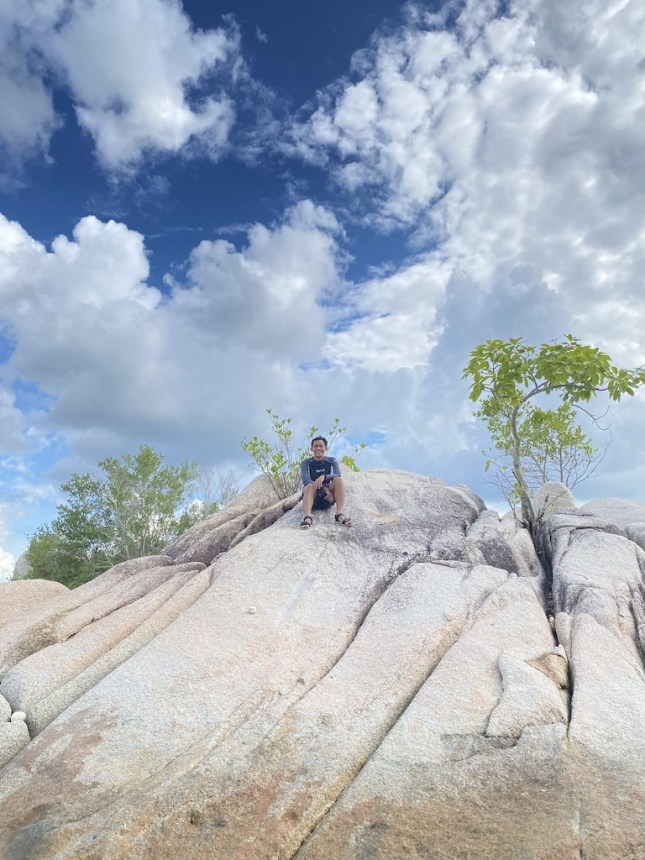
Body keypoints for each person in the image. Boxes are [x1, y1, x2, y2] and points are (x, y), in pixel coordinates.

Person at [299, 435, 352, 529]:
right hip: (312, 498)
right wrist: (325, 489)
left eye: (321, 446)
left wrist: (323, 476)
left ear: (326, 448)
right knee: (309, 486)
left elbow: (337, 474)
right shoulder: (306, 463)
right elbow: (306, 480)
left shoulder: (331, 461)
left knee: (338, 480)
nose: (318, 448)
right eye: (315, 446)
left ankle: (339, 514)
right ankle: (307, 517)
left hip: (328, 498)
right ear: (311, 449)